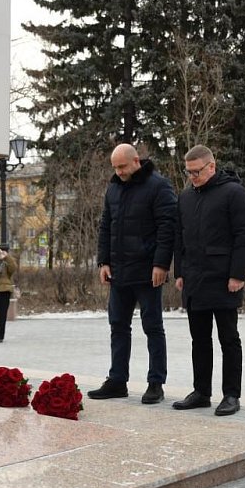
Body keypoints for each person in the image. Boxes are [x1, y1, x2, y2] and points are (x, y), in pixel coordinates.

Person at [89, 143, 177, 404]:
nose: (118, 172)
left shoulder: (158, 186)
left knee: (153, 327)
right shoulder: (113, 187)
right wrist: (103, 261)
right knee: (117, 326)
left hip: (148, 272)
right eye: (115, 168)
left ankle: (155, 383)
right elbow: (106, 225)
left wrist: (161, 265)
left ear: (136, 161)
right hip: (119, 272)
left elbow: (167, 228)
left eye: (122, 166)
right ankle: (117, 381)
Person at [172, 145, 245, 417]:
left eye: (197, 171)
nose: (193, 177)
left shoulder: (234, 193)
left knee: (228, 338)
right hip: (194, 279)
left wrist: (237, 275)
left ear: (211, 166)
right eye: (189, 173)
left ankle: (231, 394)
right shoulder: (185, 197)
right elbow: (180, 238)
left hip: (223, 279)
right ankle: (201, 392)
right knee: (199, 339)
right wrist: (180, 273)